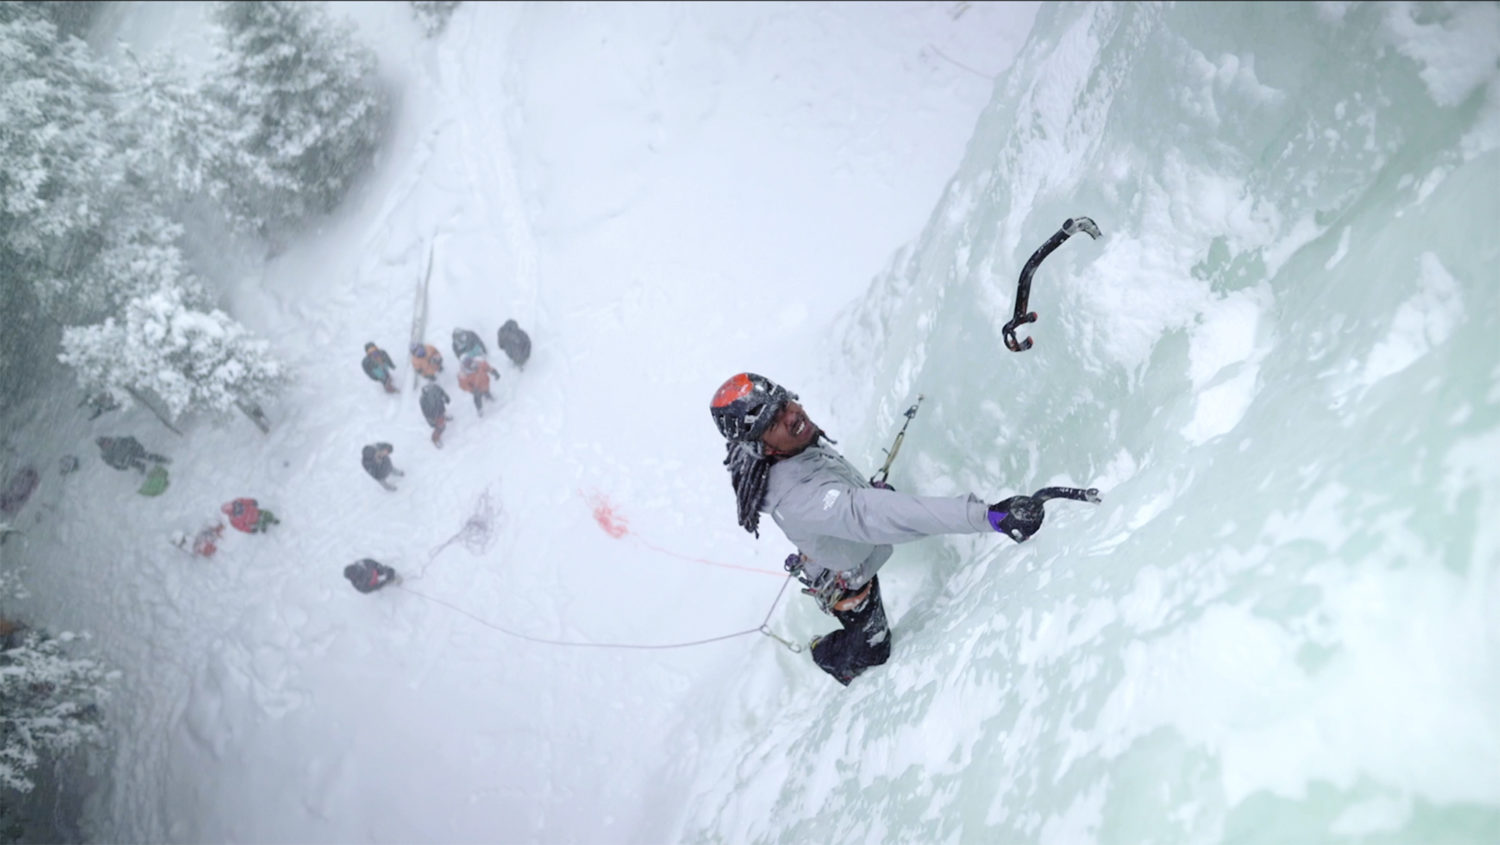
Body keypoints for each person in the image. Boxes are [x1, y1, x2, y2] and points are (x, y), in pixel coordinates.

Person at [708, 372, 1101, 686]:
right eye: (774, 421)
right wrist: (988, 517)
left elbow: (854, 503)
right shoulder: (798, 497)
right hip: (847, 577)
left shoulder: (788, 447)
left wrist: (862, 493)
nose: (791, 415)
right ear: (763, 448)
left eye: (785, 403)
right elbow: (871, 514)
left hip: (843, 541)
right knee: (873, 648)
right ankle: (826, 654)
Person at [96, 436, 171, 473]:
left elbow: (131, 439)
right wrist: (120, 468)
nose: (106, 444)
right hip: (126, 460)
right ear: (102, 446)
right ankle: (147, 474)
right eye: (103, 444)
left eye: (106, 442)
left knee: (147, 456)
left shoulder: (117, 441)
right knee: (139, 466)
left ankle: (164, 460)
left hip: (132, 451)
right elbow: (111, 463)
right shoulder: (106, 454)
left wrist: (138, 446)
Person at [420, 382, 452, 448]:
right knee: (441, 427)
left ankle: (444, 417)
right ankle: (435, 439)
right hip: (433, 416)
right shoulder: (423, 399)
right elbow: (426, 412)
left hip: (440, 409)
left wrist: (446, 398)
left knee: (442, 416)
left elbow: (441, 391)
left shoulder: (435, 388)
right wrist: (434, 417)